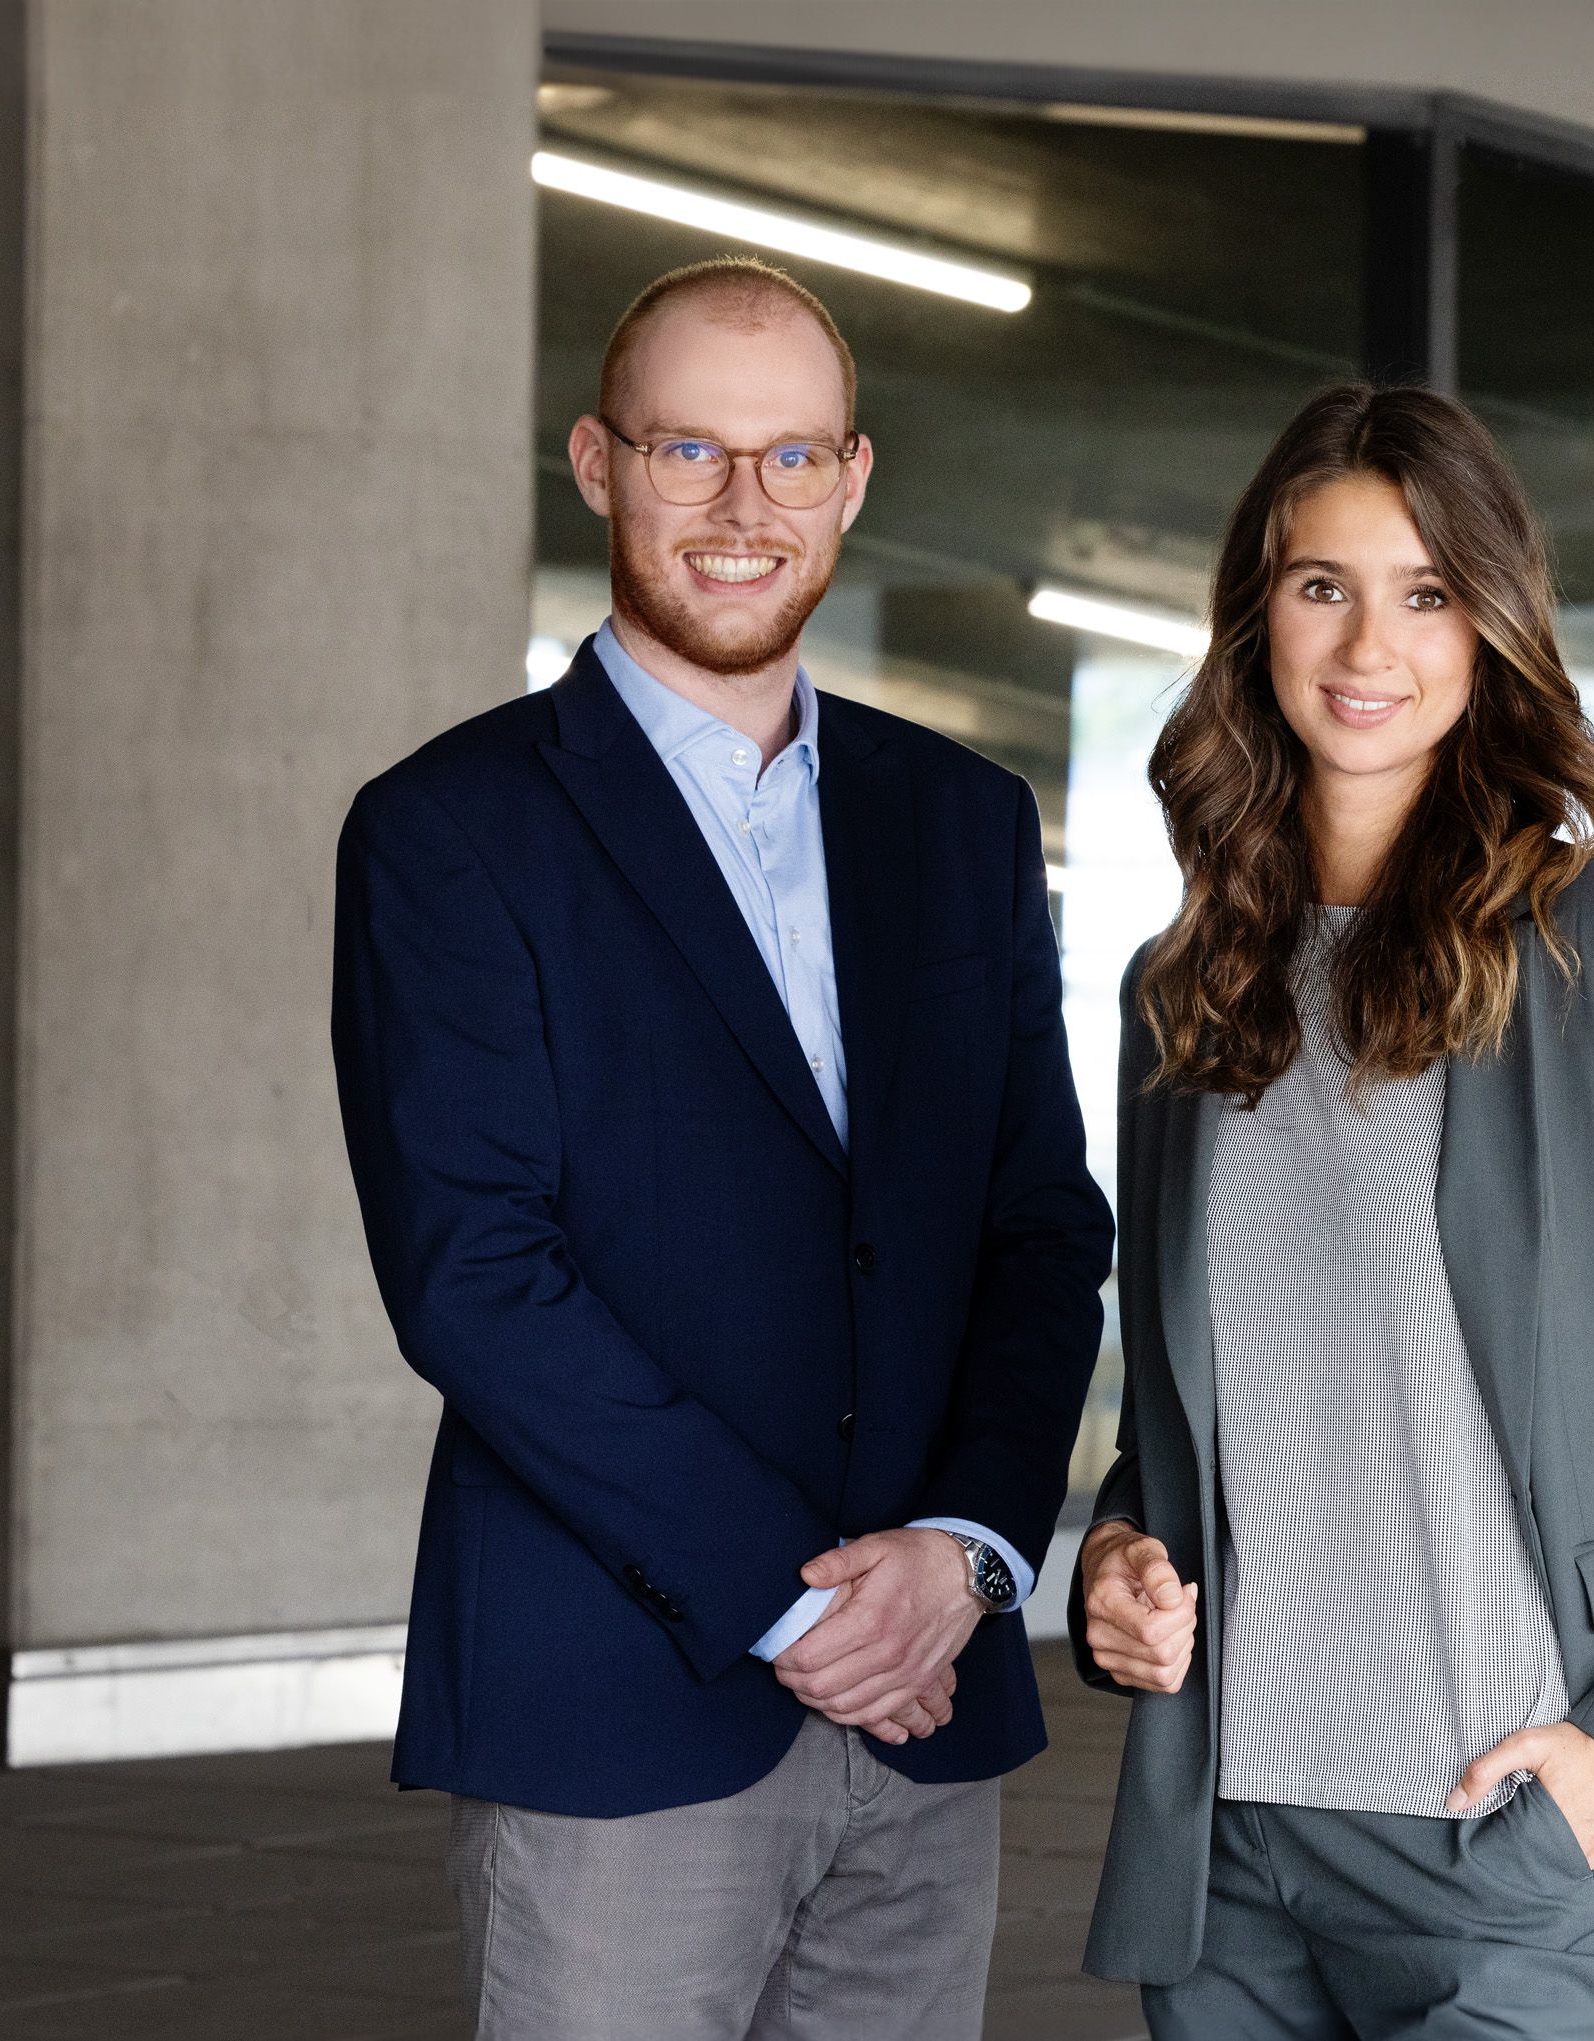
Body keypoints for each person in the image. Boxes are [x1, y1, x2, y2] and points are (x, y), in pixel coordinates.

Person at [331, 255, 1114, 2039]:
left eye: (790, 457)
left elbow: (1039, 1225)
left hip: (931, 1700)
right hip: (623, 1700)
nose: (744, 507)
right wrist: (799, 1604)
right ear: (600, 465)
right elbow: (477, 1275)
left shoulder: (965, 821)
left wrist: (974, 1549)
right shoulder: (450, 830)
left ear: (853, 478)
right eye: (691, 451)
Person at [1071, 383, 1594, 2039]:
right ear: (1256, 618)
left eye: (1427, 592)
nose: (1370, 641)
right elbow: (1189, 1416)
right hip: (1230, 1849)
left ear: (1489, 623)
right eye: (1322, 586)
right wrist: (1118, 1559)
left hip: (1509, 1842)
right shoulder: (1187, 989)